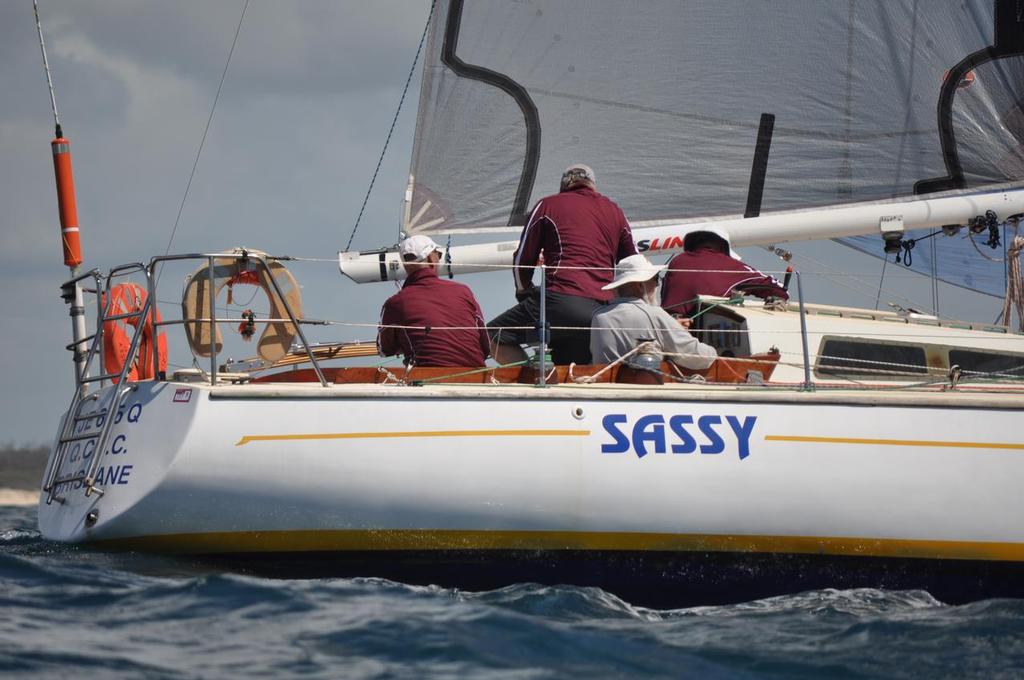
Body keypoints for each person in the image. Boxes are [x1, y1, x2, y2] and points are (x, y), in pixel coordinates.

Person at [489, 163, 637, 365]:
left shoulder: (547, 205)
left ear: (564, 185)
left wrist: (523, 291)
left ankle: (529, 377)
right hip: (604, 311)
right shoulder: (615, 211)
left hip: (560, 302)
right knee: (571, 365)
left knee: (491, 335)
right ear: (593, 185)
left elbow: (523, 258)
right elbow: (634, 262)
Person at [377, 235, 490, 367]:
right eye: (439, 255)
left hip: (426, 380)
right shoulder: (464, 292)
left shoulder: (394, 304)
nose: (439, 258)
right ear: (431, 258)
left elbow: (384, 350)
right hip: (475, 377)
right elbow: (485, 345)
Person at [591, 254, 717, 369]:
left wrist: (671, 326)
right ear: (640, 286)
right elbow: (697, 357)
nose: (657, 285)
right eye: (656, 279)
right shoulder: (654, 314)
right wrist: (714, 351)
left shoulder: (599, 316)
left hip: (606, 386)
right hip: (643, 385)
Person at [660, 228, 788, 318]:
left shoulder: (677, 261)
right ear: (722, 246)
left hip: (667, 330)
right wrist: (777, 297)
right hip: (700, 337)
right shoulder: (730, 265)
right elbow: (777, 288)